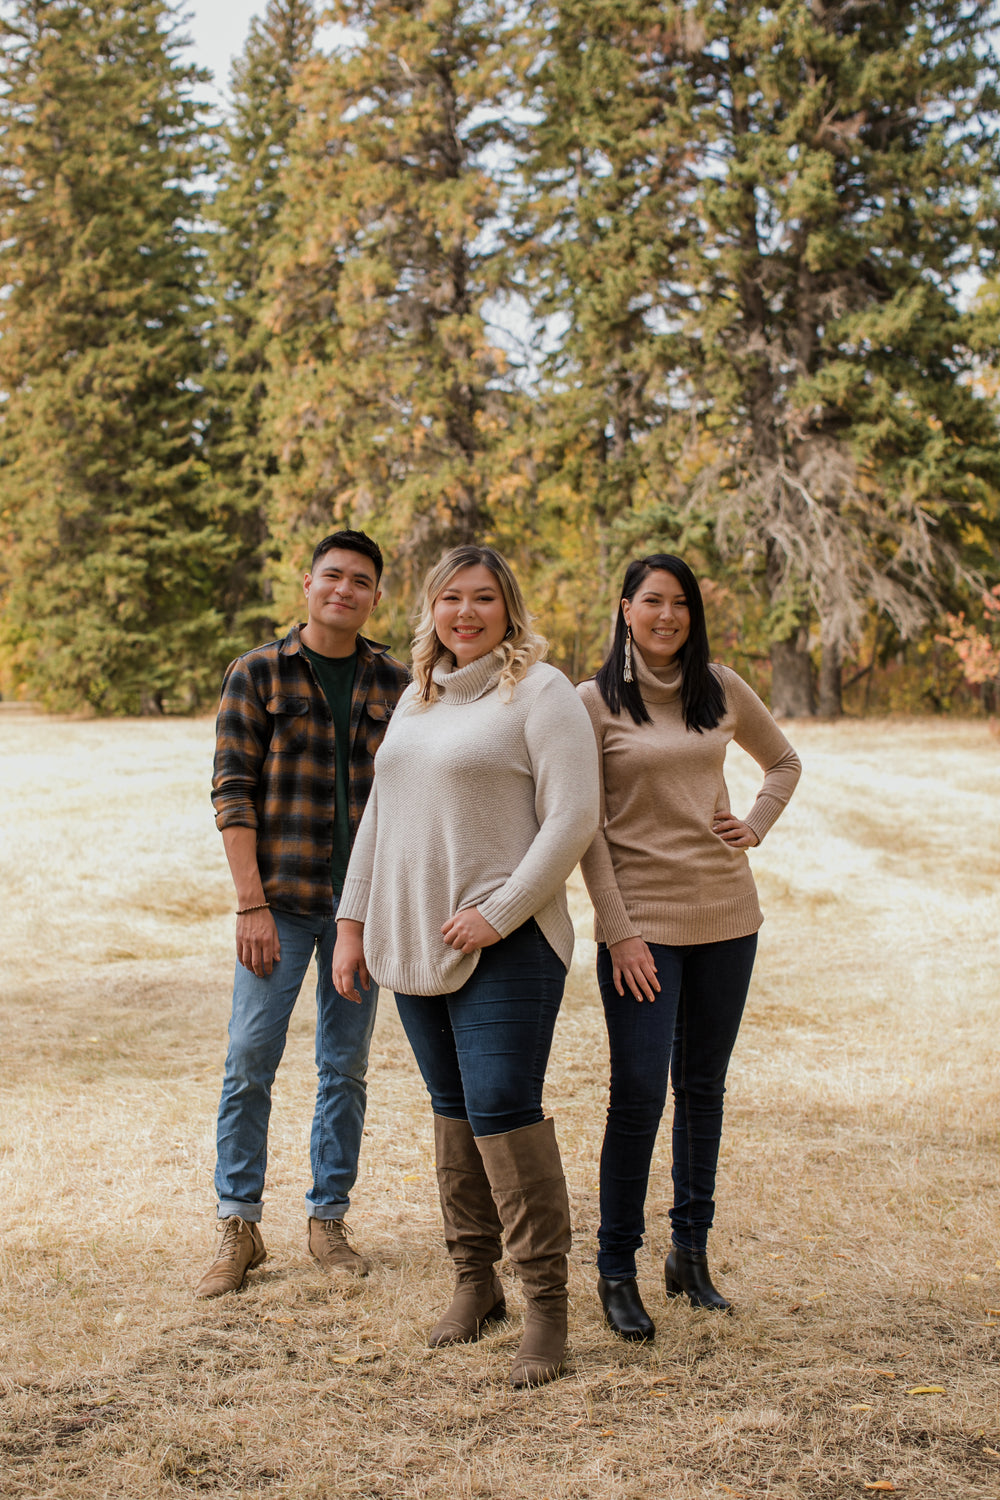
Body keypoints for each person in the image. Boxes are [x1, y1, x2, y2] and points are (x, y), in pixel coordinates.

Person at [332, 545, 598, 1388]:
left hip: (509, 941)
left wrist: (499, 911)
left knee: (500, 1105)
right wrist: (352, 923)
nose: (467, 613)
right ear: (432, 611)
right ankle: (473, 1282)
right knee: (452, 1107)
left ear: (508, 608)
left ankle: (546, 1307)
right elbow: (379, 820)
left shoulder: (542, 692)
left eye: (484, 599)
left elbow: (573, 818)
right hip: (415, 936)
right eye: (451, 599)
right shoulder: (418, 696)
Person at [578, 554, 801, 1342]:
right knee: (638, 1096)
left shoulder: (721, 686)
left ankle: (690, 1255)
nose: (667, 616)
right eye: (652, 602)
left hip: (727, 915)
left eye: (679, 603)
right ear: (625, 609)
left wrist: (756, 825)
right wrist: (619, 929)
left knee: (701, 1088)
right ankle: (615, 1270)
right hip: (641, 924)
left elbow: (783, 761)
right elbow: (586, 829)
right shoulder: (591, 702)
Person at [196, 530, 409, 1299]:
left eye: (360, 581)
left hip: (362, 911)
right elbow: (232, 790)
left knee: (343, 1066)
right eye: (332, 577)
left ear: (375, 596)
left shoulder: (399, 681)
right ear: (308, 584)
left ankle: (328, 1219)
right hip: (279, 904)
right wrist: (248, 902)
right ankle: (238, 1226)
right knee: (251, 1057)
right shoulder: (257, 673)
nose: (344, 590)